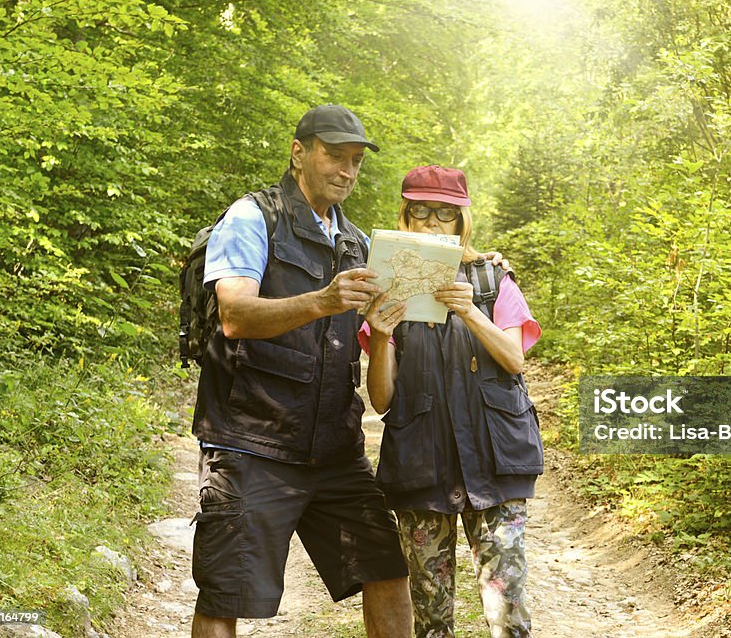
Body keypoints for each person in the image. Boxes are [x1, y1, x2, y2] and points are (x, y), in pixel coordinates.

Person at [190, 104, 412, 638]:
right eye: (335, 156)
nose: (346, 171)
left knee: (388, 570)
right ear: (298, 152)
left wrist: (383, 328)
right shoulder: (251, 217)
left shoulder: (356, 242)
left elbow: (365, 346)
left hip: (334, 448)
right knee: (226, 593)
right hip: (251, 443)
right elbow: (235, 316)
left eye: (355, 161)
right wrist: (323, 300)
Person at [361, 165, 544, 638]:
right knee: (432, 614)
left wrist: (470, 312)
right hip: (422, 465)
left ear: (462, 220)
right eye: (420, 212)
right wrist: (380, 339)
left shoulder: (492, 280)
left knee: (508, 612)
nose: (432, 223)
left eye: (445, 213)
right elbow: (381, 400)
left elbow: (513, 359)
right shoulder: (386, 284)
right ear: (404, 217)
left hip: (495, 462)